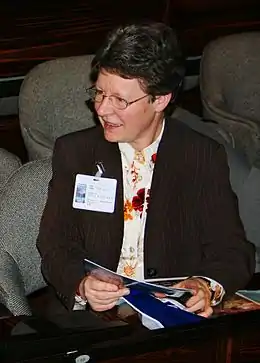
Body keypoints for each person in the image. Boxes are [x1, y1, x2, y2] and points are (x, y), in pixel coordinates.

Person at [37, 22, 255, 318]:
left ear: (160, 99)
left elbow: (232, 250)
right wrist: (81, 284)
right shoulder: (76, 153)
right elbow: (55, 244)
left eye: (120, 100)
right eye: (99, 93)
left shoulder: (200, 155)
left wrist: (205, 285)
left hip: (171, 320)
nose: (102, 109)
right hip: (93, 320)